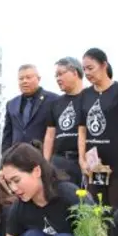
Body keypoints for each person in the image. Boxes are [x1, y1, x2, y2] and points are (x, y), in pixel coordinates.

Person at [77, 48, 118, 211]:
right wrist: (82, 159)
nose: (87, 73)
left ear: (104, 65)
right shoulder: (85, 95)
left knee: (117, 210)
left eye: (90, 68)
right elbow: (82, 129)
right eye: (84, 69)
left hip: (117, 163)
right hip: (95, 163)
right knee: (96, 210)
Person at [0, 64, 59, 156]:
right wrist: (4, 162)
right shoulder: (11, 104)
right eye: (21, 78)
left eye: (28, 77)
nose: (24, 81)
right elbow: (7, 136)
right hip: (17, 159)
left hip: (42, 157)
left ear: (38, 79)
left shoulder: (54, 100)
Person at [43, 57, 84, 186]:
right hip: (60, 161)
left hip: (84, 161)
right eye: (56, 76)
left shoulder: (91, 98)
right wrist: (45, 163)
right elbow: (50, 136)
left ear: (75, 73)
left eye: (61, 74)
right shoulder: (55, 104)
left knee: (86, 203)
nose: (58, 79)